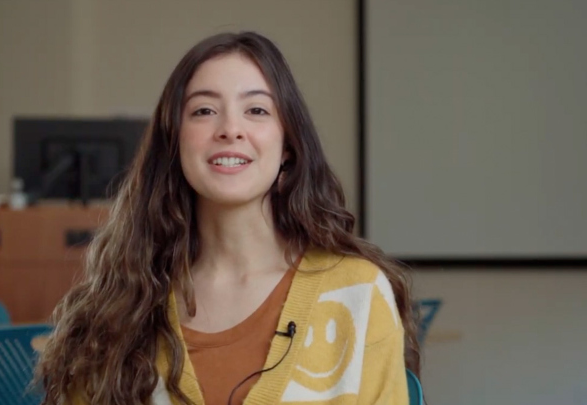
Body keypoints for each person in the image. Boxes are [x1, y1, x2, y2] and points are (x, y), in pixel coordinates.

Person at [35, 31, 420, 405]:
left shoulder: (356, 291)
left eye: (256, 110)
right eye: (204, 111)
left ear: (287, 145)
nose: (231, 130)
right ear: (175, 141)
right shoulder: (119, 303)